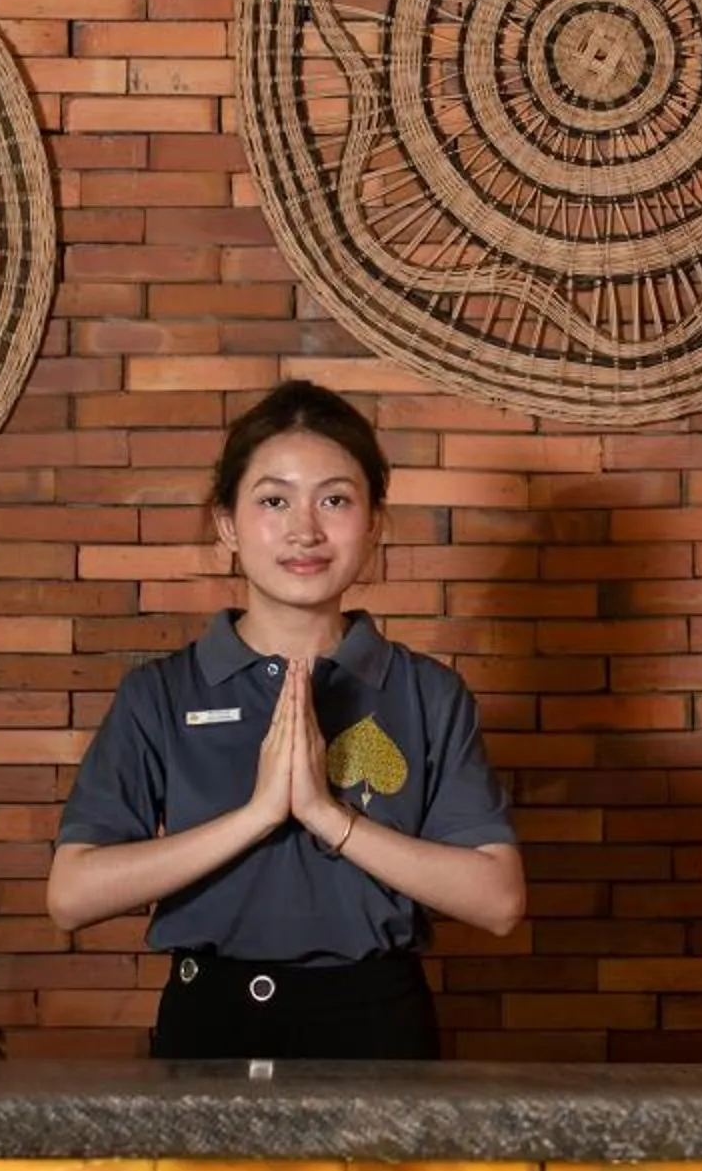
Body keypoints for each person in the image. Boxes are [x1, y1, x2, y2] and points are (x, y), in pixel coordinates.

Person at [48, 379, 524, 1059]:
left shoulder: (429, 693)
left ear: (375, 524)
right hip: (208, 1022)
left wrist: (329, 816)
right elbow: (71, 896)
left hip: (378, 1023)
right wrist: (259, 813)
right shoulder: (158, 692)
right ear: (227, 526)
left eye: (335, 499)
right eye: (274, 500)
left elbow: (498, 901)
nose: (305, 529)